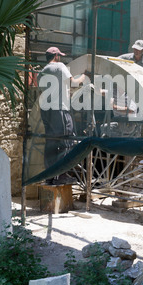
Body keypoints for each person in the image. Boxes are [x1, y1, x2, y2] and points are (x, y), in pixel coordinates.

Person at [38, 46, 87, 185]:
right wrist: (85, 75)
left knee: (51, 144)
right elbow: (73, 83)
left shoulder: (41, 72)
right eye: (60, 56)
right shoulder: (59, 66)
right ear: (56, 56)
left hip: (46, 111)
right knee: (66, 142)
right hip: (59, 110)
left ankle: (50, 176)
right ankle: (62, 175)